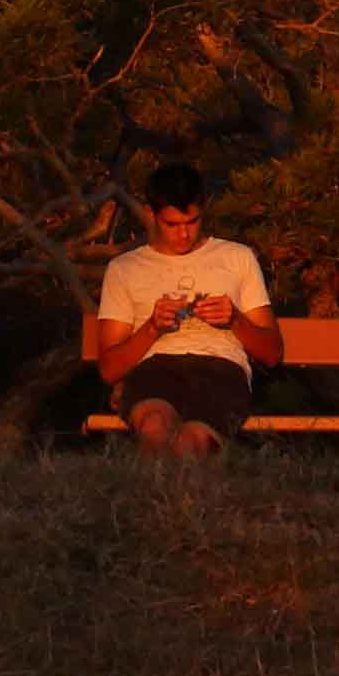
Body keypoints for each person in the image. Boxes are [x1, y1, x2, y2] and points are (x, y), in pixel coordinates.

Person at [86, 160, 279, 458]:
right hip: (154, 369)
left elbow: (271, 352)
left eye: (192, 222)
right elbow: (110, 370)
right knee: (154, 428)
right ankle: (166, 502)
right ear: (151, 215)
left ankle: (176, 502)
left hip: (221, 370)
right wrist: (151, 328)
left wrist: (235, 320)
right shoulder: (125, 268)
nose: (184, 234)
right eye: (172, 224)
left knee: (191, 443)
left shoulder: (237, 258)